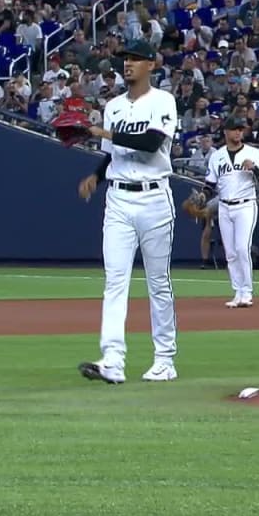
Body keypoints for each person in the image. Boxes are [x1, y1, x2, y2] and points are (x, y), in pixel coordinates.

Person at [76, 40, 180, 385]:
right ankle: (112, 361)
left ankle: (164, 359)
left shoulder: (164, 101)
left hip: (154, 198)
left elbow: (150, 144)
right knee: (115, 282)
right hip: (119, 200)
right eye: (125, 59)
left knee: (158, 283)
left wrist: (103, 133)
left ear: (152, 64)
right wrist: (96, 174)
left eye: (136, 58)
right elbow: (114, 152)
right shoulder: (114, 106)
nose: (128, 64)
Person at [203, 116, 259, 308]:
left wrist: (255, 169)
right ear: (225, 132)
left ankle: (247, 291)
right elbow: (210, 184)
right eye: (234, 129)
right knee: (231, 252)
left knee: (242, 248)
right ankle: (237, 291)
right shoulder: (217, 156)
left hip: (245, 205)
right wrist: (202, 197)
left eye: (240, 129)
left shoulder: (253, 153)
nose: (238, 132)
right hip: (224, 206)